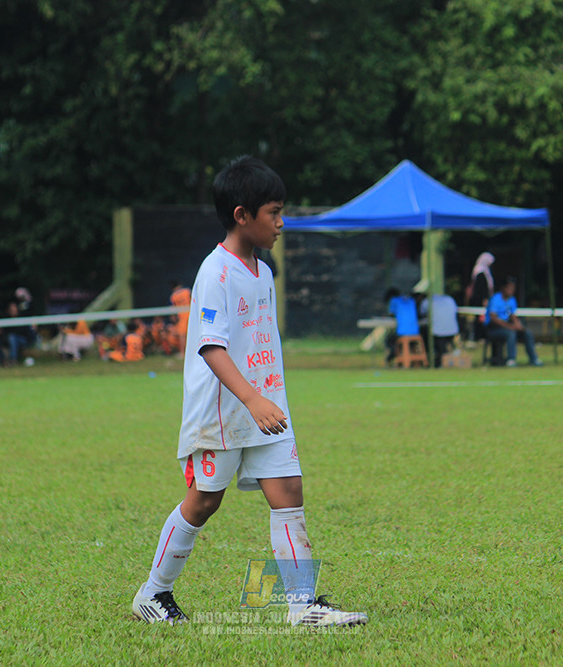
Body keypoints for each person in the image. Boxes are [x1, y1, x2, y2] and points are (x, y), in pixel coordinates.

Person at [131, 156, 367, 628]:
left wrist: (265, 399)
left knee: (289, 492)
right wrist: (252, 399)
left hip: (266, 408)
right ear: (242, 215)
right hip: (222, 413)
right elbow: (211, 347)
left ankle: (302, 607)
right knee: (204, 501)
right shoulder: (215, 272)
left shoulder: (262, 270)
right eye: (273, 212)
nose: (281, 223)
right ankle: (152, 593)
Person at [485, 276, 543, 367]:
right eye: (509, 288)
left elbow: (512, 315)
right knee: (510, 333)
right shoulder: (496, 299)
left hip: (507, 327)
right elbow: (493, 318)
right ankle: (511, 359)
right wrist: (510, 327)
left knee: (527, 333)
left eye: (513, 288)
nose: (512, 290)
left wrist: (519, 326)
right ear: (503, 288)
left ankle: (534, 359)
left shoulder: (511, 300)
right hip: (493, 329)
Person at [416, 281, 460, 367]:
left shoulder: (426, 301)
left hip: (437, 332)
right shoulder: (450, 299)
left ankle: (429, 358)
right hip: (453, 330)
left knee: (424, 334)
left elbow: (422, 314)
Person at [0, 301, 36, 366]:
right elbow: (4, 332)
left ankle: (13, 360)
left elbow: (25, 332)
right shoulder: (6, 319)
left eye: (14, 308)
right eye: (11, 309)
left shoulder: (21, 318)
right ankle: (2, 361)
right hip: (9, 339)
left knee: (12, 337)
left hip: (23, 340)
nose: (13, 310)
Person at [384, 287, 420, 366]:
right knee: (407, 343)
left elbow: (391, 315)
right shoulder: (411, 300)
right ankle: (411, 361)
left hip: (402, 332)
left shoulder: (394, 300)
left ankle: (391, 357)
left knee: (389, 340)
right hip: (416, 332)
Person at [467, 252, 495, 341]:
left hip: (483, 299)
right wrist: (485, 299)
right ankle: (479, 336)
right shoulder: (480, 272)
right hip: (480, 300)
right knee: (479, 318)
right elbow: (481, 288)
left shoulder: (485, 271)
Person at [169, 280, 192, 355]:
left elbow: (173, 308)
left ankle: (182, 352)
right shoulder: (187, 291)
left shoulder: (173, 296)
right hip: (191, 313)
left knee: (182, 335)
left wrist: (173, 317)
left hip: (182, 316)